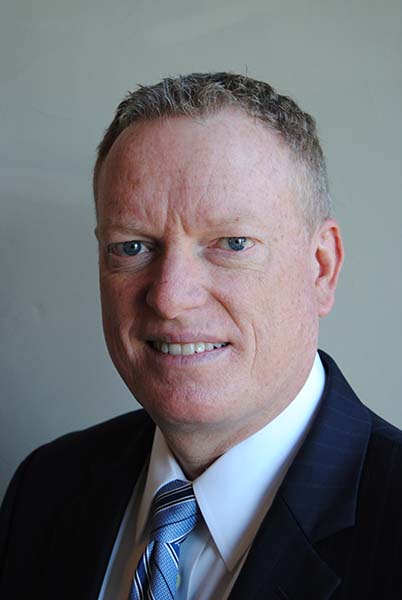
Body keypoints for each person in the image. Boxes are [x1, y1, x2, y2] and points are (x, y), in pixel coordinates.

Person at [0, 73, 401, 600]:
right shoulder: (44, 489)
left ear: (321, 268)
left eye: (231, 243)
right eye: (132, 247)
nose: (170, 297)